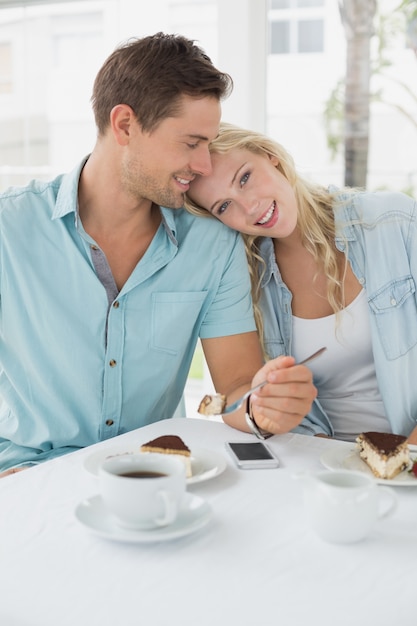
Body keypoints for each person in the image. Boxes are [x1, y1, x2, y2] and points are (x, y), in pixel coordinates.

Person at [0, 35, 317, 477]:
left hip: (153, 475)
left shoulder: (211, 244)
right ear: (125, 125)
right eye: (191, 143)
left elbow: (237, 388)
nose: (205, 165)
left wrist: (265, 406)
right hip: (25, 475)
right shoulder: (9, 228)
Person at [185, 122, 417, 444]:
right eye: (224, 206)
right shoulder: (242, 280)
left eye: (245, 178)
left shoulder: (394, 222)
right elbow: (236, 398)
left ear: (270, 156)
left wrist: (404, 461)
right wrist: (261, 407)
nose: (249, 207)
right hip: (315, 462)